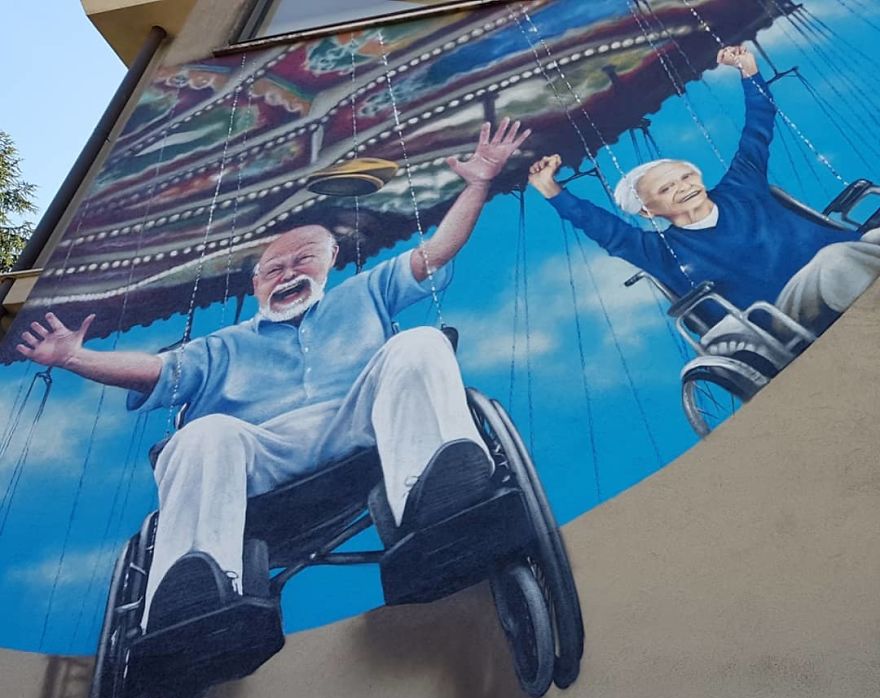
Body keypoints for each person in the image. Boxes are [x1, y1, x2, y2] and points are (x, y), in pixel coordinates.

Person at [16, 118, 531, 631]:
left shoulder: (366, 292)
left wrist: (479, 184)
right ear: (257, 283)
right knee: (202, 433)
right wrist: (73, 359)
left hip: (362, 431)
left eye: (302, 260)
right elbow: (153, 371)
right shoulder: (223, 347)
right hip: (261, 466)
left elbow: (437, 250)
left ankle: (438, 496)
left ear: (330, 261)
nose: (287, 274)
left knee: (419, 342)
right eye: (274, 269)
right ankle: (196, 597)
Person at [528, 45, 880, 334]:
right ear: (649, 211)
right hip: (784, 311)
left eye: (686, 177)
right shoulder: (658, 249)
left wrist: (748, 71)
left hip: (850, 256)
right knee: (835, 262)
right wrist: (551, 190)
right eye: (667, 188)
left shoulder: (741, 186)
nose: (684, 187)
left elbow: (758, 129)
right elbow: (603, 228)